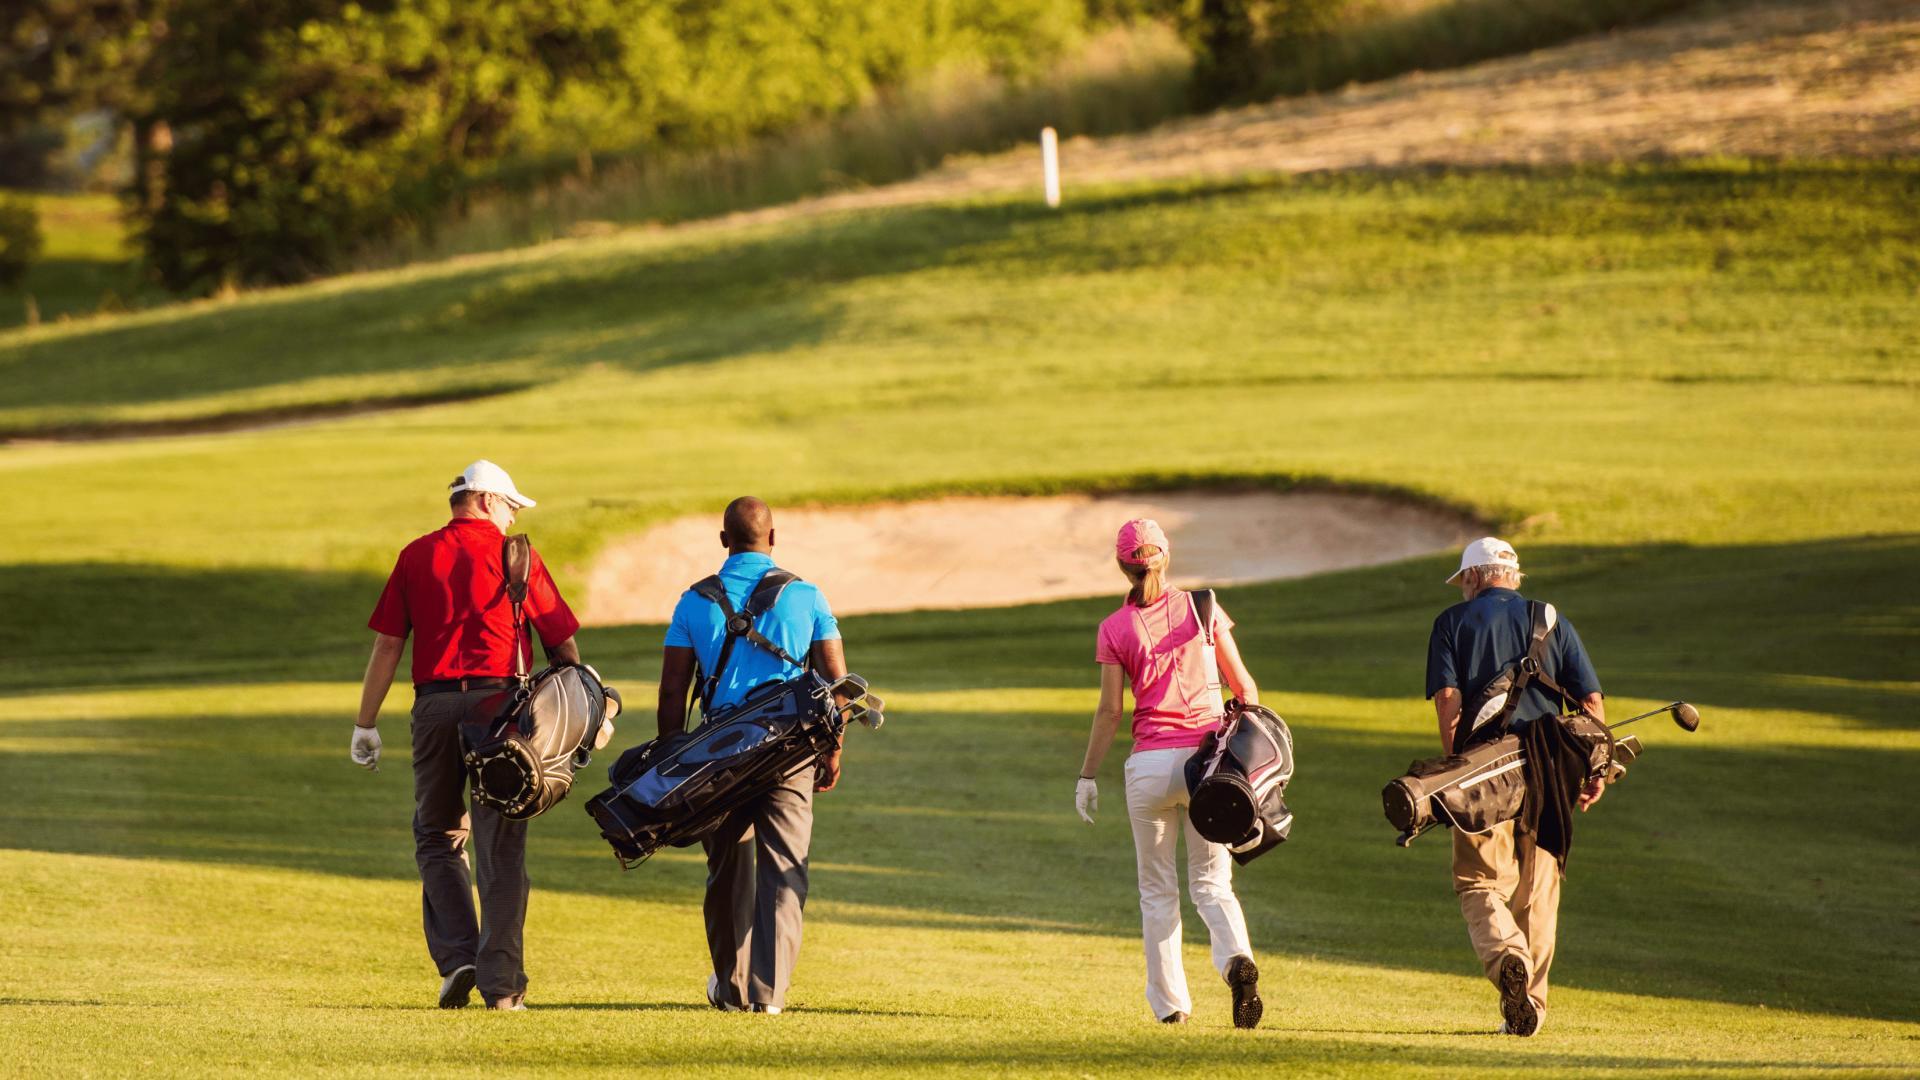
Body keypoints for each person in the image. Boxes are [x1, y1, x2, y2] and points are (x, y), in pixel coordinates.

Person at [352, 459, 592, 1011]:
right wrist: (582, 708)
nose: (511, 517)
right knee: (501, 850)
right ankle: (502, 988)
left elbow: (388, 646)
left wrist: (366, 722)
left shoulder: (416, 554)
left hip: (434, 708)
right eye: (510, 505)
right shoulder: (518, 556)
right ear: (485, 500)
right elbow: (560, 642)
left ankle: (459, 956)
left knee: (437, 835)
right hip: (502, 712)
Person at [655, 496, 847, 1015]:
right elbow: (837, 682)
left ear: (724, 540)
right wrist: (833, 748)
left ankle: (731, 986)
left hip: (717, 757)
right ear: (773, 537)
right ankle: (769, 996)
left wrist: (669, 760)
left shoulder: (693, 601)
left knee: (727, 874)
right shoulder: (807, 595)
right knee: (784, 870)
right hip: (791, 751)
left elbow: (673, 690)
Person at [1074, 518, 1265, 1029]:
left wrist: (1087, 776)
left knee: (1157, 892)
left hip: (1149, 769)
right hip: (1208, 765)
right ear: (1165, 555)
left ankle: (1171, 1008)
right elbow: (1243, 688)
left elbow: (1111, 711)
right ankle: (1235, 961)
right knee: (1212, 883)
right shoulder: (1202, 607)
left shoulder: (1114, 628)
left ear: (1122, 567)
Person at [1426, 536, 1605, 1037]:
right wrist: (1595, 770)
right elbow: (1591, 702)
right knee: (1538, 893)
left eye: (1463, 580)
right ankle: (1529, 1011)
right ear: (1512, 576)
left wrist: (1453, 768)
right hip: (1550, 770)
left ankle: (1508, 959)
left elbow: (1447, 700)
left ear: (1473, 577)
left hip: (1484, 773)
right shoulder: (1550, 617)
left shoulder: (1451, 623)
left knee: (1479, 882)